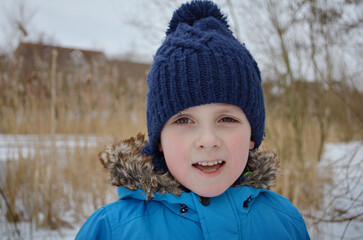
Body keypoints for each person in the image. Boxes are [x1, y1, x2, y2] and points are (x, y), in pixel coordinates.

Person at [76, 1, 310, 239]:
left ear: (252, 136)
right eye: (184, 121)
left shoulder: (285, 222)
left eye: (226, 119)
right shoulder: (113, 230)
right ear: (159, 141)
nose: (208, 140)